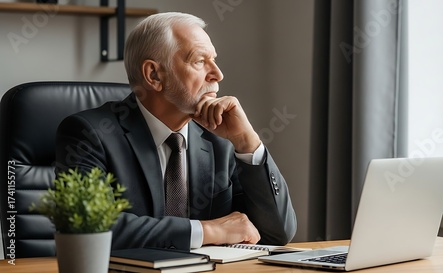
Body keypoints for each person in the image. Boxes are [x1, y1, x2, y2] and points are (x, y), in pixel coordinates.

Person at [55, 12, 296, 251]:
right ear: (154, 75)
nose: (218, 74)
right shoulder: (88, 134)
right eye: (200, 61)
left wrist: (247, 142)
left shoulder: (220, 138)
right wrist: (208, 230)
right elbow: (90, 228)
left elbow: (277, 233)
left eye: (214, 60)